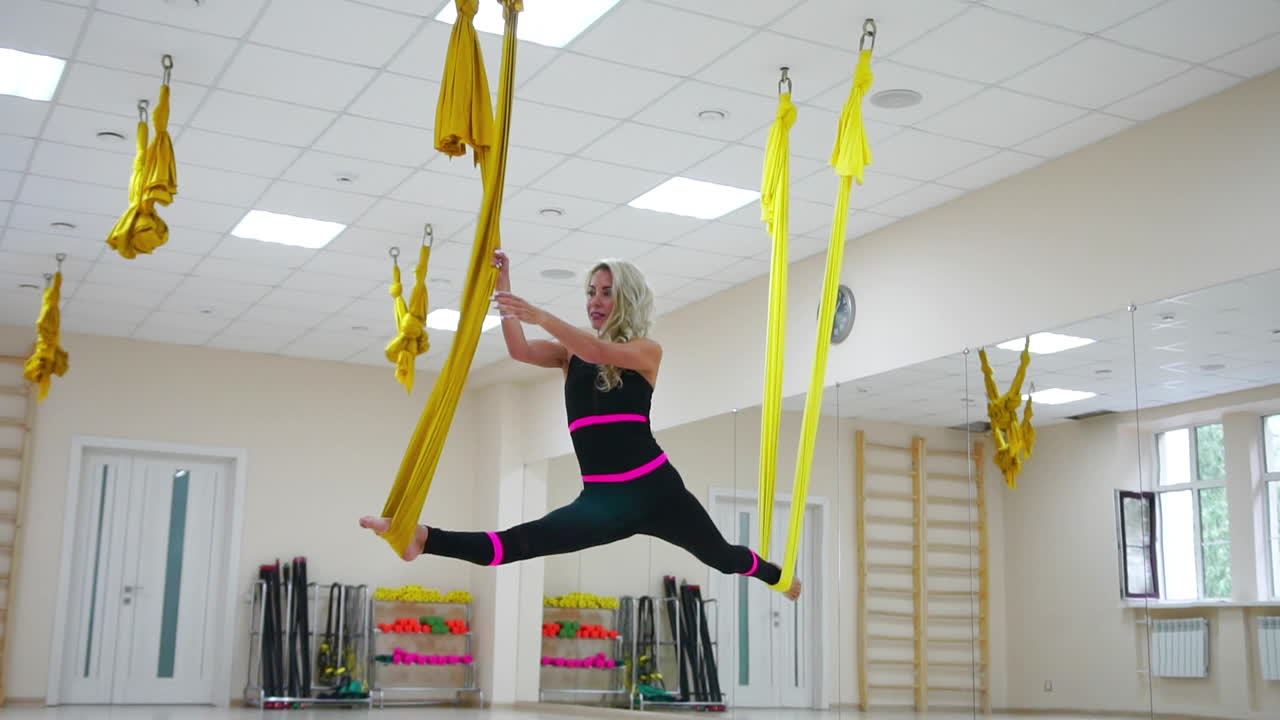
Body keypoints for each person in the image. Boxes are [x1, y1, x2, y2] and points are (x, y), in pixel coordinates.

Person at [361, 250, 802, 600]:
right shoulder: (568, 354)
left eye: (606, 292)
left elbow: (597, 352)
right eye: (591, 291)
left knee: (722, 557)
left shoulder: (647, 351)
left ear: (627, 298)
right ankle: (423, 539)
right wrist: (506, 291)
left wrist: (543, 316)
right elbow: (518, 350)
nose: (595, 300)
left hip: (656, 489)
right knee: (522, 542)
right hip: (603, 499)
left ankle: (776, 577)